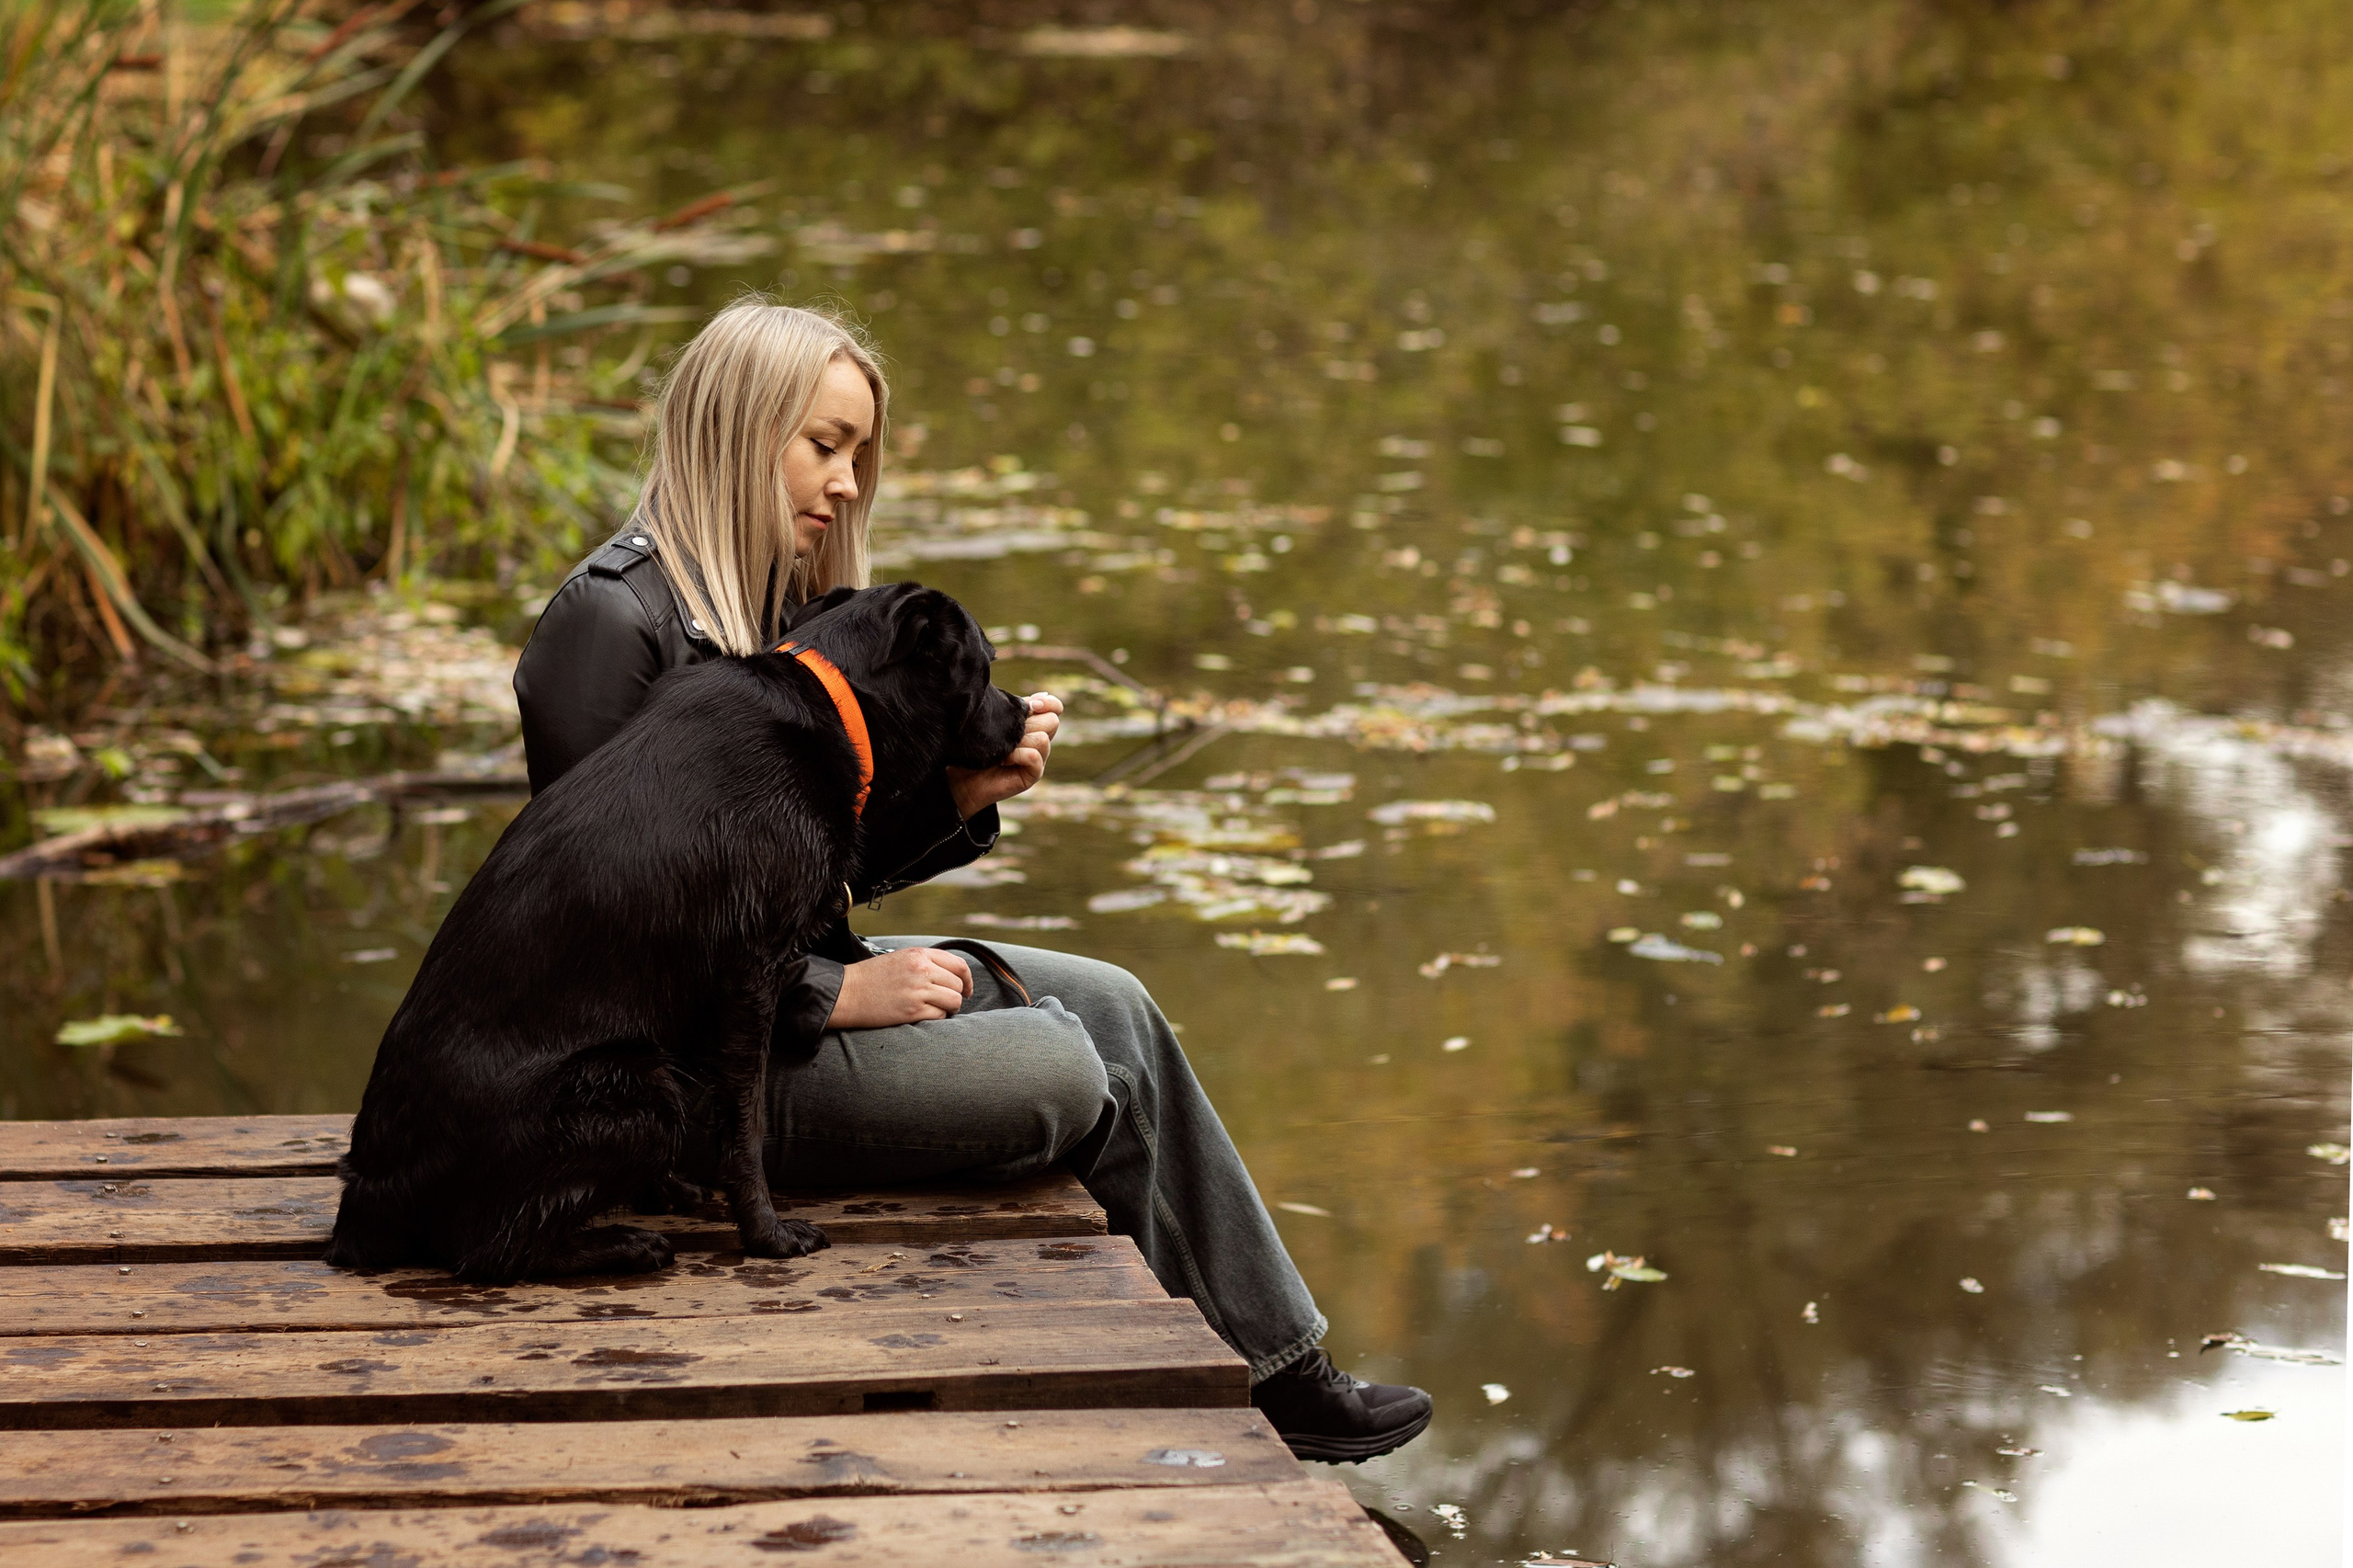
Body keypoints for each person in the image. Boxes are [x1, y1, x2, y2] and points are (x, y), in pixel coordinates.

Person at [511, 297, 1431, 1462]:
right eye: (822, 444)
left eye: (858, 454)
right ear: (738, 431)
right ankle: (1201, 1399)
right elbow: (605, 936)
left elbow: (794, 887)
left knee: (1117, 1004)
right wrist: (827, 998)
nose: (846, 483)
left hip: (775, 1015)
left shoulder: (767, 610)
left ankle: (1285, 1370)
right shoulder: (611, 623)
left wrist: (954, 801)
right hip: (694, 1089)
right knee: (1063, 1062)